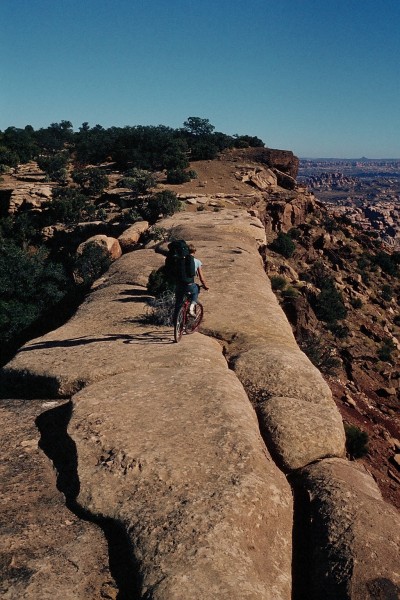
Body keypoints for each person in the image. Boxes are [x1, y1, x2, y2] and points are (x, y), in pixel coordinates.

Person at [173, 243, 209, 321]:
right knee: (195, 290)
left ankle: (176, 320)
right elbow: (201, 277)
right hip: (189, 285)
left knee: (178, 302)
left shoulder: (180, 260)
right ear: (194, 252)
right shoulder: (197, 261)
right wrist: (205, 285)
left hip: (179, 285)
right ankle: (191, 308)